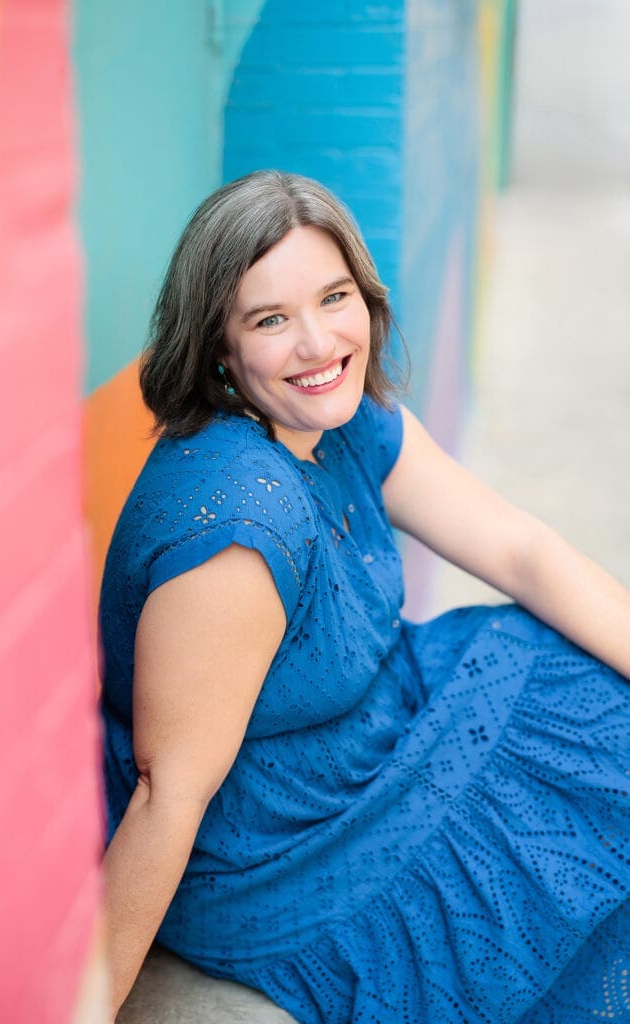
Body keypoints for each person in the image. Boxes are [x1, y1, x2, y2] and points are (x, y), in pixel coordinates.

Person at [100, 170, 630, 1023]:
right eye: (270, 319)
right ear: (218, 350)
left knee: (595, 697)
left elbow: (521, 550)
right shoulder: (241, 525)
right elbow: (172, 795)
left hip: (374, 729)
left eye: (333, 297)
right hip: (289, 844)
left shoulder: (340, 418)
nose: (318, 343)